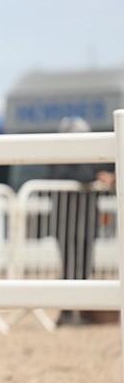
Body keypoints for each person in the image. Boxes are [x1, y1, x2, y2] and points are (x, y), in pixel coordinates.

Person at [48, 116, 116, 326]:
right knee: (70, 266)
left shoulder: (89, 157)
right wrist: (96, 175)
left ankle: (79, 312)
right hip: (66, 221)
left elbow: (102, 172)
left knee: (85, 266)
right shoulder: (59, 157)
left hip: (85, 220)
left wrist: (107, 177)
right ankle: (67, 313)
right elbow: (81, 175)